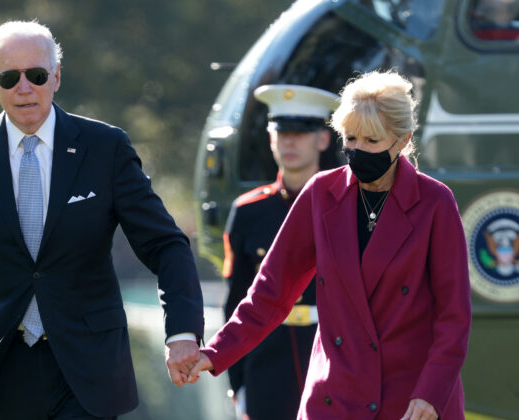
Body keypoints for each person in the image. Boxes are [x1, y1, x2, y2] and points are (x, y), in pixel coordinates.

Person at [0, 20, 204, 419]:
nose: (25, 88)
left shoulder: (104, 148)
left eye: (37, 75)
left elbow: (166, 245)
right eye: (10, 77)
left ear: (57, 78)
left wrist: (182, 333)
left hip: (90, 366)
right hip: (1, 365)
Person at [189, 71, 472, 420]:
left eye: (371, 140)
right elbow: (269, 292)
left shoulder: (435, 202)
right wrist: (215, 352)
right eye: (351, 138)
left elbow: (454, 316)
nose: (357, 150)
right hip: (336, 397)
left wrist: (431, 394)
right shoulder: (321, 194)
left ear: (402, 141)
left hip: (413, 401)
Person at [221, 85, 338, 420]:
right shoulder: (248, 211)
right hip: (266, 361)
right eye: (282, 132)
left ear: (323, 139)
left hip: (332, 354)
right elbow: (235, 300)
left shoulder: (345, 206)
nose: (290, 142)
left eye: (301, 133)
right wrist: (238, 381)